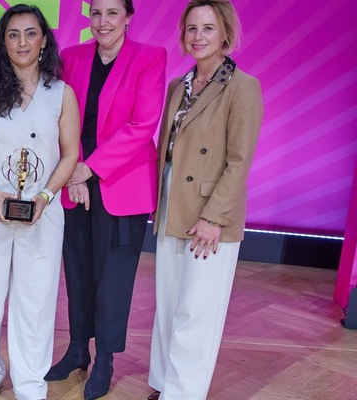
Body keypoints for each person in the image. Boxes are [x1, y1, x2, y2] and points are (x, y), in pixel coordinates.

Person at [44, 0, 166, 399]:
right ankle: (78, 349)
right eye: (96, 13)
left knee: (112, 280)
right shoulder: (72, 56)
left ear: (128, 17)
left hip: (121, 183)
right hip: (76, 179)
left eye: (112, 13)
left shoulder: (150, 57)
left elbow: (142, 125)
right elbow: (62, 117)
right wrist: (75, 168)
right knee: (77, 269)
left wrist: (89, 168)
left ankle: (106, 360)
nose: (103, 22)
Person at [0, 5, 80, 400]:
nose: (22, 42)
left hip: (42, 213)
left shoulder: (62, 93)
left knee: (37, 299)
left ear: (44, 40)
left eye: (31, 33)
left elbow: (69, 154)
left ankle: (31, 381)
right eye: (13, 34)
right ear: (3, 41)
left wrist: (46, 196)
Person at [147, 1, 263, 399]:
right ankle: (163, 385)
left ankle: (183, 394)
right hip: (172, 207)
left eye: (208, 29)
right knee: (168, 308)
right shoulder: (178, 86)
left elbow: (239, 161)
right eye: (192, 29)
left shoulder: (243, 87)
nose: (198, 37)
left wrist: (214, 217)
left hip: (210, 216)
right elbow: (166, 150)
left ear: (225, 35)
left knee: (196, 313)